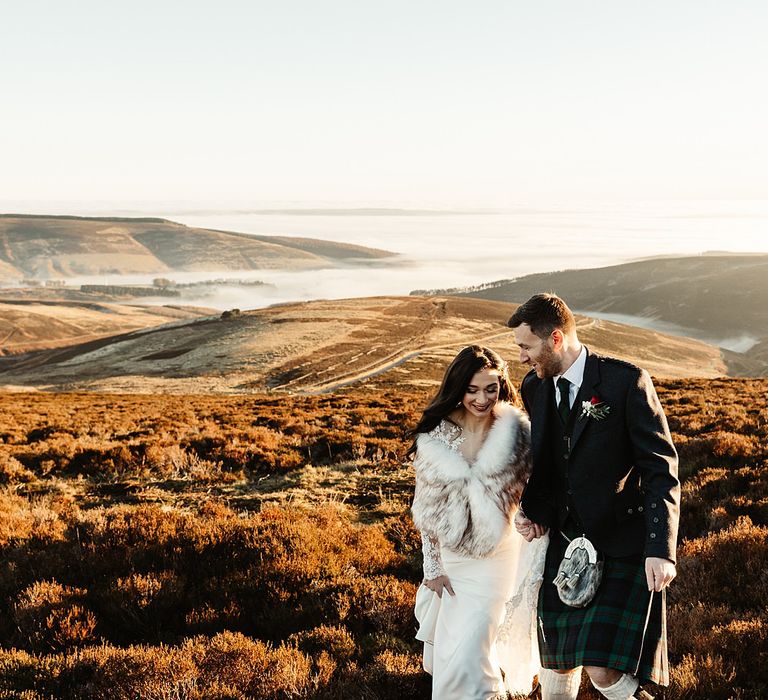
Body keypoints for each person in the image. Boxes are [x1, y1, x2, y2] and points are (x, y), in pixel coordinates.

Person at [508, 294, 680, 700]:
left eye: (525, 347)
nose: (520, 358)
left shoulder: (624, 382)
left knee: (602, 669)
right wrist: (536, 513)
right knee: (557, 664)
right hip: (567, 546)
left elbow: (661, 469)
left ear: (554, 339)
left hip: (620, 541)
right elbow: (552, 465)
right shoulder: (535, 387)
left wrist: (661, 548)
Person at [409, 345, 547, 699]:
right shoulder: (438, 434)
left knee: (477, 647)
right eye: (472, 389)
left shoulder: (516, 430)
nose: (482, 398)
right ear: (458, 387)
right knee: (454, 651)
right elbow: (427, 508)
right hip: (454, 562)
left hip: (500, 556)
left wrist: (533, 519)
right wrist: (432, 565)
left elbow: (535, 488)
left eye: (491, 388)